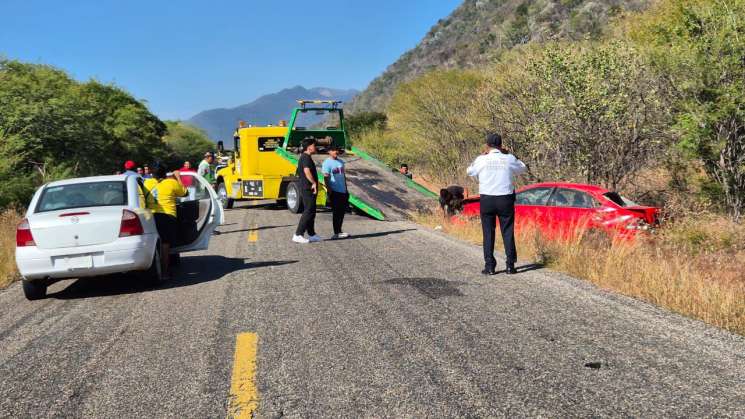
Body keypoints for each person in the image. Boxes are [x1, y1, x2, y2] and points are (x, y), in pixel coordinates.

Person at [467, 133, 527, 275]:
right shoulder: (509, 158)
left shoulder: (481, 159)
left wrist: (481, 156)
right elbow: (523, 167)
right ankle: (510, 266)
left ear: (487, 145)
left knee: (488, 232)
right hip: (505, 199)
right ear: (501, 145)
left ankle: (490, 266)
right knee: (507, 231)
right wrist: (510, 154)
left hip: (487, 199)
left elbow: (469, 171)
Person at [147, 165, 188, 279]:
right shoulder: (171, 182)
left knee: (155, 244)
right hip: (168, 216)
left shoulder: (146, 183)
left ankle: (154, 271)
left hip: (150, 216)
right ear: (165, 174)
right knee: (165, 245)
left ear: (152, 174)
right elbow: (185, 193)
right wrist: (178, 177)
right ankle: (164, 273)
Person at [292, 137, 322, 244]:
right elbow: (306, 171)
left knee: (312, 211)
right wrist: (313, 183)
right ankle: (298, 234)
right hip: (307, 188)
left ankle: (312, 234)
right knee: (308, 210)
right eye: (314, 145)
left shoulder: (306, 157)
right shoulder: (305, 158)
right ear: (309, 148)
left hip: (308, 188)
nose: (316, 147)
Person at [322, 145, 350, 239]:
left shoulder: (341, 162)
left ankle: (339, 230)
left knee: (342, 212)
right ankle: (336, 232)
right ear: (329, 152)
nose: (335, 152)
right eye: (333, 150)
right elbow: (326, 177)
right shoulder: (327, 162)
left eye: (336, 150)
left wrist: (346, 189)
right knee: (336, 212)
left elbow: (343, 176)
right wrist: (329, 191)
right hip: (334, 191)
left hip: (343, 191)